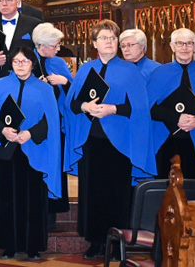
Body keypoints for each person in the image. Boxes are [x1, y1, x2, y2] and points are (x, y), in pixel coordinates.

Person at [64, 19, 156, 259]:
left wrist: (111, 109)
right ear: (94, 43)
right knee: (91, 192)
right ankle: (94, 241)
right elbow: (71, 103)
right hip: (91, 139)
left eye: (113, 38)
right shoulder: (85, 69)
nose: (110, 42)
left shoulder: (129, 70)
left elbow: (137, 107)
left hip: (119, 143)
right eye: (104, 38)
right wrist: (84, 105)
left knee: (117, 193)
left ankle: (116, 244)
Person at [0, 46, 61, 260]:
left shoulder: (44, 89)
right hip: (5, 150)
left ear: (33, 63)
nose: (20, 65)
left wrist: (30, 133)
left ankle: (33, 246)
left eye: (25, 61)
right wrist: (2, 130)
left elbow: (51, 120)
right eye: (16, 61)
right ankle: (7, 245)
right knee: (5, 199)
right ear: (11, 63)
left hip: (34, 150)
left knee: (33, 200)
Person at [147, 28, 195, 187]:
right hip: (166, 141)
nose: (184, 47)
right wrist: (177, 118)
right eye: (180, 43)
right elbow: (151, 109)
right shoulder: (160, 72)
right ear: (172, 46)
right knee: (165, 190)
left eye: (189, 43)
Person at [32, 22, 73, 215]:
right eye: (54, 46)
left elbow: (73, 93)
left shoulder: (59, 63)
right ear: (41, 45)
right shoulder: (26, 59)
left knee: (55, 162)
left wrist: (64, 82)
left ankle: (54, 207)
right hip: (33, 123)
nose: (58, 49)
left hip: (56, 121)